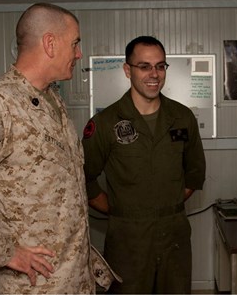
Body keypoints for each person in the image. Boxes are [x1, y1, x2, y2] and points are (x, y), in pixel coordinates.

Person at [0, 3, 119, 294]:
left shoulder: (51, 101)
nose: (79, 53)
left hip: (68, 279)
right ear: (50, 43)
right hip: (31, 286)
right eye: (75, 43)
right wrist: (2, 252)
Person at [82, 36, 206, 294]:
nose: (154, 74)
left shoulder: (182, 118)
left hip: (174, 237)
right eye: (144, 66)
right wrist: (119, 210)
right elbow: (84, 179)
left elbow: (194, 174)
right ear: (128, 70)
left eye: (160, 66)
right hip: (128, 240)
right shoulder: (105, 123)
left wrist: (166, 205)